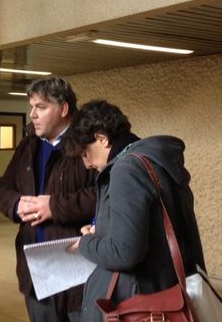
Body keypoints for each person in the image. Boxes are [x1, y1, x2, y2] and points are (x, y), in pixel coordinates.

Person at [63, 100, 206, 322]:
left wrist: (85, 243)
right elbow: (154, 229)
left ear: (102, 139)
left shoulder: (127, 170)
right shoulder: (156, 161)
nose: (87, 164)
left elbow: (125, 252)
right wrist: (104, 229)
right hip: (168, 288)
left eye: (85, 153)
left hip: (140, 301)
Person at [0, 76, 96, 322]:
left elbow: (104, 195)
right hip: (37, 271)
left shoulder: (89, 143)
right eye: (31, 107)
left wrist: (54, 207)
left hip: (79, 270)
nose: (33, 114)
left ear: (63, 109)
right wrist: (16, 204)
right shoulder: (28, 145)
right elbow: (2, 188)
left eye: (41, 107)